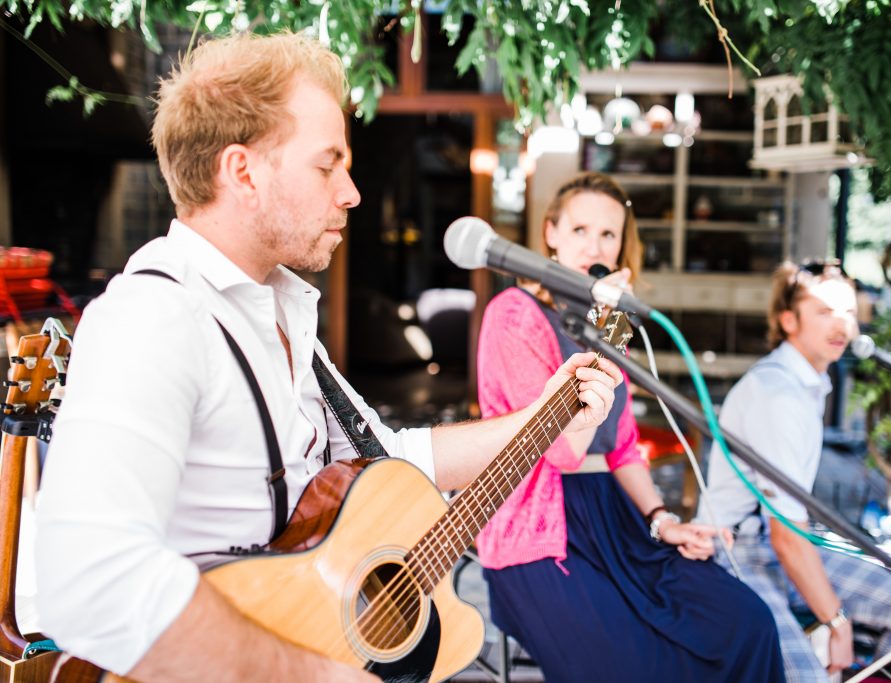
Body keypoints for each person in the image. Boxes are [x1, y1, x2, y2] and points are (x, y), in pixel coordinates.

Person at [32, 33, 622, 683]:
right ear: (243, 172)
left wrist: (544, 416)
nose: (352, 193)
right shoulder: (155, 317)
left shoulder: (280, 313)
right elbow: (89, 575)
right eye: (327, 165)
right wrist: (310, 673)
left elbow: (384, 461)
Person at [474, 172, 785, 683]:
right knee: (632, 667)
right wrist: (606, 329)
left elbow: (620, 449)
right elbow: (565, 451)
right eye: (579, 231)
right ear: (551, 233)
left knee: (747, 624)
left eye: (608, 235)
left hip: (615, 516)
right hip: (542, 527)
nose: (593, 246)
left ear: (622, 246)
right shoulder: (515, 313)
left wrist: (663, 520)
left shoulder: (610, 321)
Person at [697, 260, 891, 681]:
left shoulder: (806, 383)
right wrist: (836, 620)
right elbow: (786, 537)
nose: (841, 325)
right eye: (824, 311)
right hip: (734, 550)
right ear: (787, 320)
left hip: (775, 543)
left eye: (848, 312)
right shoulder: (779, 394)